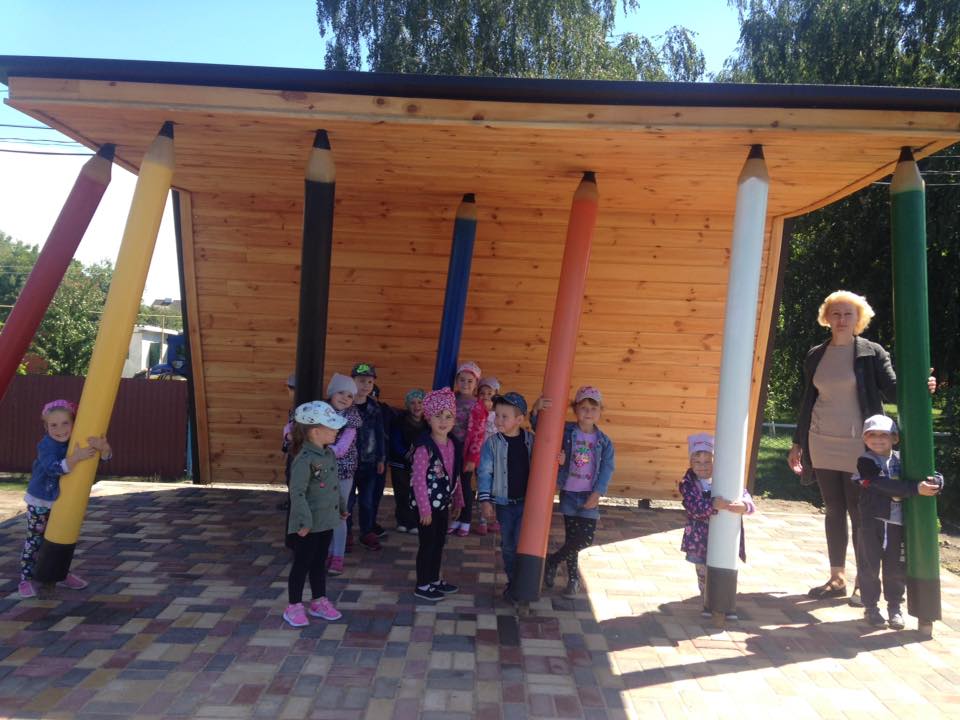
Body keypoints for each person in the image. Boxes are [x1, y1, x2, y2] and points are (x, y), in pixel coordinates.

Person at [787, 290, 936, 605]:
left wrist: (923, 385)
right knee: (833, 509)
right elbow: (808, 400)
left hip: (860, 445)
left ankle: (863, 581)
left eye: (848, 314)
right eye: (836, 313)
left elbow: (894, 390)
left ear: (859, 319)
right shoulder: (816, 354)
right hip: (821, 440)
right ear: (827, 318)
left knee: (861, 512)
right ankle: (837, 578)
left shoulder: (871, 352)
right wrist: (798, 442)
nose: (841, 320)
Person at [852, 415, 943, 629]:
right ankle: (871, 608)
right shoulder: (866, 462)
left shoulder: (903, 459)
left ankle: (894, 608)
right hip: (871, 522)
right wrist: (914, 489)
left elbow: (929, 471)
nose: (878, 439)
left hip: (897, 524)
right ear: (865, 439)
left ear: (895, 438)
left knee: (895, 568)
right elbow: (878, 484)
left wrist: (937, 481)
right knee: (869, 566)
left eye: (883, 435)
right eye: (872, 435)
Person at [19, 399, 111, 598]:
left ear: (74, 424)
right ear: (46, 427)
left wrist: (103, 449)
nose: (60, 429)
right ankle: (26, 578)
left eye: (65, 423)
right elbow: (52, 468)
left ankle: (60, 573)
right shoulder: (46, 445)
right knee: (35, 540)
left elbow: (100, 460)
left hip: (63, 500)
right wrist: (75, 458)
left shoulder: (76, 441)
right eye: (53, 425)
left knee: (62, 538)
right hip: (41, 500)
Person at [534, 386, 615, 598]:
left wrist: (598, 492)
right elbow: (541, 429)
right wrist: (536, 410)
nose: (588, 412)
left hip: (589, 495)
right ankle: (573, 580)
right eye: (584, 407)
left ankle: (552, 560)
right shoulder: (565, 431)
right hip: (570, 493)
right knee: (572, 538)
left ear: (600, 411)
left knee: (585, 539)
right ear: (575, 409)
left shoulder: (604, 442)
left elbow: (607, 468)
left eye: (593, 408)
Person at [283, 401, 348, 627]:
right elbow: (297, 492)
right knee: (302, 564)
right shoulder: (304, 459)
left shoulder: (328, 454)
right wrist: (304, 521)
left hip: (325, 521)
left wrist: (341, 506)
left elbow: (333, 485)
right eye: (332, 427)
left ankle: (319, 601)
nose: (337, 430)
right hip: (307, 525)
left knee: (319, 562)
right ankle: (293, 606)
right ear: (315, 432)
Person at [679, 433, 755, 620]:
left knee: (726, 569)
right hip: (699, 539)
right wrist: (712, 505)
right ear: (691, 463)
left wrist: (745, 506)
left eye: (707, 461)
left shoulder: (727, 480)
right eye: (697, 462)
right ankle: (708, 602)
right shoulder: (688, 484)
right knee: (703, 573)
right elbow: (692, 506)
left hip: (725, 538)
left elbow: (745, 495)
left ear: (715, 462)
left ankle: (726, 604)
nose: (703, 466)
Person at [477, 392, 534, 601]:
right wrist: (485, 500)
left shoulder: (531, 441)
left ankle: (523, 581)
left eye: (504, 416)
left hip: (526, 503)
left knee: (521, 542)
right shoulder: (491, 444)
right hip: (504, 504)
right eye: (497, 415)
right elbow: (485, 472)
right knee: (508, 545)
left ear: (519, 420)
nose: (498, 420)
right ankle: (513, 581)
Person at [410, 387, 464, 601]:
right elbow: (418, 480)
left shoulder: (453, 444)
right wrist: (425, 510)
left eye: (448, 416)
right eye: (438, 416)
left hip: (443, 505)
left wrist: (458, 499)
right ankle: (422, 584)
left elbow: (455, 475)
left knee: (439, 542)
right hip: (426, 508)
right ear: (428, 418)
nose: (443, 421)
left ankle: (433, 579)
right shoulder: (424, 447)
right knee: (427, 545)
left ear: (454, 420)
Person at [326, 373, 362, 574]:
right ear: (331, 393)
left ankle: (338, 555)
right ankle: (326, 551)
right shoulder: (318, 411)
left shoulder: (351, 419)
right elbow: (296, 425)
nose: (345, 398)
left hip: (343, 472)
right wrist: (288, 433)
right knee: (322, 511)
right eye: (341, 392)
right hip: (321, 470)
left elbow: (341, 448)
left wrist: (319, 449)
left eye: (350, 396)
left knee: (339, 513)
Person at [350, 362, 387, 550]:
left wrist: (381, 458)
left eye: (370, 382)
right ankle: (345, 533)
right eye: (361, 381)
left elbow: (380, 434)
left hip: (370, 463)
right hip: (348, 464)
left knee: (367, 501)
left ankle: (366, 532)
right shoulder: (345, 405)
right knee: (347, 502)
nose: (366, 385)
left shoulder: (375, 408)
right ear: (352, 382)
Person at [449, 361, 487, 537]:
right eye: (462, 380)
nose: (465, 384)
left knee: (464, 484)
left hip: (466, 450)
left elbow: (479, 434)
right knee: (452, 483)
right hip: (450, 448)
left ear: (476, 384)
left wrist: (473, 458)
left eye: (469, 381)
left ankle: (465, 519)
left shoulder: (477, 406)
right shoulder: (451, 399)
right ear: (457, 381)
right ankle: (455, 517)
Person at [388, 388, 427, 533]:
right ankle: (402, 520)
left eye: (420, 402)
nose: (416, 406)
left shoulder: (428, 423)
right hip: (400, 464)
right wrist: (408, 455)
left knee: (417, 492)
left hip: (420, 465)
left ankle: (414, 522)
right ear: (407, 405)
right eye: (412, 403)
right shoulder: (399, 422)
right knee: (402, 493)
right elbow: (395, 442)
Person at [476, 376, 501, 535]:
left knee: (496, 489)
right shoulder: (477, 412)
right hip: (481, 457)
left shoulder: (499, 414)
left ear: (496, 395)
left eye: (489, 393)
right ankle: (483, 520)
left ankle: (495, 519)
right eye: (482, 393)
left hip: (497, 457)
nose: (485, 396)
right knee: (483, 487)